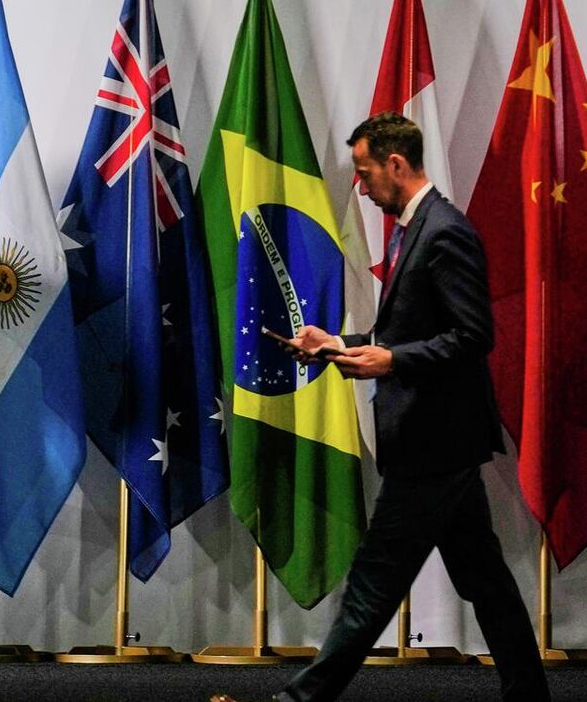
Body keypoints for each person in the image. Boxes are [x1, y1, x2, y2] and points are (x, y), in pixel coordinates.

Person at [213, 114, 548, 702]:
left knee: (372, 585)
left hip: (432, 444)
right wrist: (337, 344)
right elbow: (408, 331)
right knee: (486, 581)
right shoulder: (414, 230)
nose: (361, 187)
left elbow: (474, 336)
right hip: (441, 443)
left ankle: (299, 701)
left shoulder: (445, 232)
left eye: (365, 173)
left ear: (396, 164)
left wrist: (390, 360)